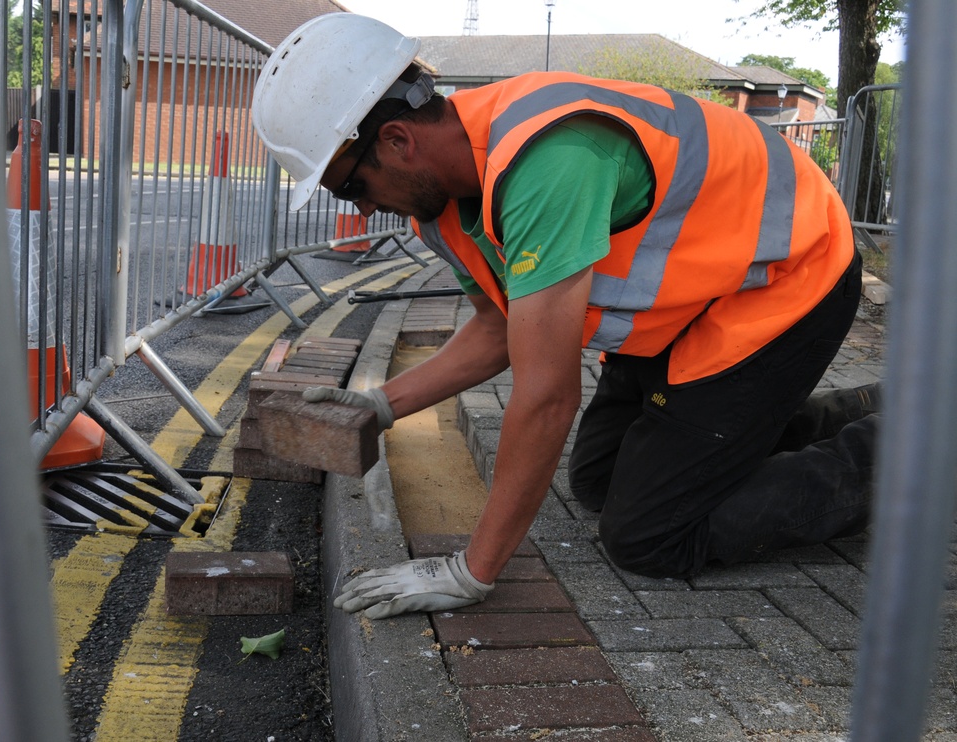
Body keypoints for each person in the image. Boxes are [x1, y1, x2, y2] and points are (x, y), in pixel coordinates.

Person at [252, 13, 879, 620]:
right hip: (694, 304)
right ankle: (853, 410)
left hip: (787, 279)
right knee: (600, 482)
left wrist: (474, 569)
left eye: (350, 188)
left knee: (649, 535)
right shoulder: (438, 205)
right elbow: (498, 328)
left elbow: (547, 396)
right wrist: (381, 405)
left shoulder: (547, 159)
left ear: (396, 141)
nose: (359, 212)